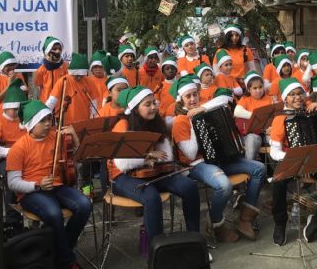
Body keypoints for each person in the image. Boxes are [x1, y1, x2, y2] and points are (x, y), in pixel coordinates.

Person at [171, 76, 266, 242]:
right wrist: (194, 123)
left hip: (217, 159)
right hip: (196, 165)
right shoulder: (180, 121)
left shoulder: (203, 110)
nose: (193, 99)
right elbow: (191, 154)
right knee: (224, 185)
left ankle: (245, 218)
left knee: (259, 168)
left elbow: (225, 98)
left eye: (195, 94)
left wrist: (202, 110)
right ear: (181, 99)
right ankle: (216, 223)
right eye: (188, 96)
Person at [108, 86, 201, 249]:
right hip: (122, 176)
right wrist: (146, 158)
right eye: (147, 104)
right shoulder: (122, 125)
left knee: (189, 186)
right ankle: (157, 251)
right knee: (151, 197)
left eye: (154, 103)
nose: (153, 107)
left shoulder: (157, 121)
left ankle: (195, 239)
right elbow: (122, 164)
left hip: (151, 172)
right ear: (136, 108)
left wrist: (154, 159)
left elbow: (166, 156)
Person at [6, 99, 91, 269]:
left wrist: (74, 138)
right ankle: (67, 261)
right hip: (31, 192)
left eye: (49, 119)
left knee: (84, 204)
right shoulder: (19, 148)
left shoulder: (57, 137)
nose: (48, 124)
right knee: (53, 213)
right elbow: (13, 183)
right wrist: (37, 185)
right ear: (31, 124)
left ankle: (60, 251)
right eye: (42, 121)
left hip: (57, 185)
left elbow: (78, 162)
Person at [269, 78, 317, 246]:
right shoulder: (281, 119)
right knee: (277, 183)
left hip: (315, 161)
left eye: (300, 93)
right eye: (292, 95)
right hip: (291, 161)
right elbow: (274, 151)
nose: (297, 97)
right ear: (285, 98)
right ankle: (280, 223)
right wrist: (295, 157)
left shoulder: (310, 109)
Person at [0, 78, 27, 224]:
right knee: (12, 176)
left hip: (28, 156)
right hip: (6, 158)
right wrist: (13, 151)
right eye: (15, 109)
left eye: (19, 109)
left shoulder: (25, 119)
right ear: (6, 107)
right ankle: (12, 218)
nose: (18, 112)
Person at [46, 53, 100, 124]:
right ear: (71, 72)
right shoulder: (63, 81)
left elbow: (93, 101)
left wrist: (92, 116)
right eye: (77, 75)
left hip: (85, 120)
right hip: (65, 121)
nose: (79, 77)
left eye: (82, 75)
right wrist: (44, 116)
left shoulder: (89, 81)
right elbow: (51, 102)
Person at [234, 71, 273, 160]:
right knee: (252, 139)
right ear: (248, 89)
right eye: (254, 88)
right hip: (252, 133)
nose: (258, 91)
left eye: (260, 87)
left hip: (267, 132)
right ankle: (249, 167)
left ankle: (277, 170)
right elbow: (237, 112)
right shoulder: (245, 99)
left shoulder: (269, 99)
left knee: (276, 139)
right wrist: (257, 116)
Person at [0, 51, 28, 120]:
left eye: (13, 65)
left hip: (18, 116)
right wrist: (9, 85)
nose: (12, 67)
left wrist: (24, 91)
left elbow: (24, 94)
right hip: (1, 117)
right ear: (2, 67)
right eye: (8, 65)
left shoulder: (19, 75)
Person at [34, 36, 68, 103]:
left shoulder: (65, 67)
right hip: (46, 102)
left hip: (61, 104)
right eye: (54, 49)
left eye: (59, 49)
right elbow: (38, 83)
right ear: (48, 50)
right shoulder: (42, 69)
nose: (57, 51)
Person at [154, 56, 179, 125]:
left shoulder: (180, 84)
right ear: (163, 71)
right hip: (163, 117)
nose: (170, 70)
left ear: (176, 70)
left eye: (172, 68)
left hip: (177, 116)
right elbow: (156, 102)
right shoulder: (160, 86)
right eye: (167, 69)